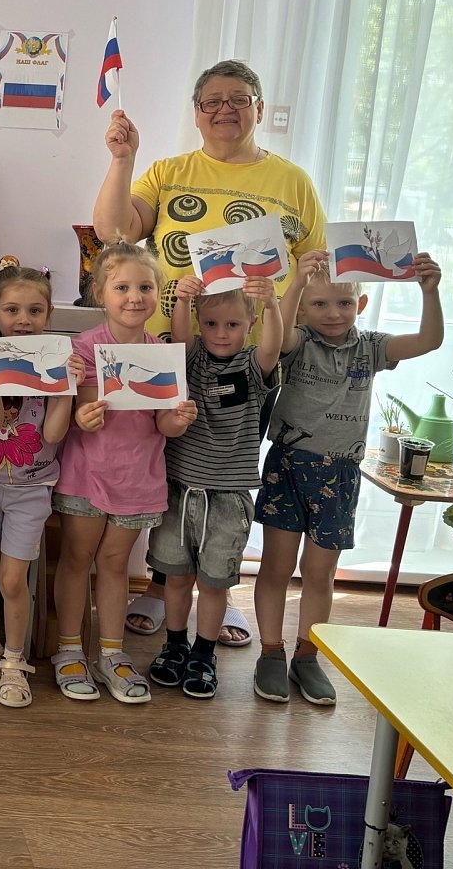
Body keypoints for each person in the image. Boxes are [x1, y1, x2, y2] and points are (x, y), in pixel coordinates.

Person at [93, 58, 327, 645]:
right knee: (171, 471)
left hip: (255, 357)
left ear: (259, 108)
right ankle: (160, 584)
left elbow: (317, 270)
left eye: (239, 99)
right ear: (196, 113)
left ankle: (219, 593)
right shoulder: (168, 172)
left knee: (227, 475)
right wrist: (122, 160)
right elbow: (114, 231)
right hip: (173, 353)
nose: (226, 109)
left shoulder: (294, 182)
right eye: (212, 101)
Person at [254, 249, 443, 706]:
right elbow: (279, 337)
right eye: (319, 304)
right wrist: (296, 284)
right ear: (302, 309)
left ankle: (307, 656)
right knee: (277, 567)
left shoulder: (371, 347)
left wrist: (430, 292)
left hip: (339, 474)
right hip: (288, 466)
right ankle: (271, 651)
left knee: (320, 573)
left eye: (343, 303)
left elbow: (428, 341)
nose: (333, 313)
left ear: (360, 304)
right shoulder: (297, 340)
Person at [51, 243, 198, 705]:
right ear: (101, 292)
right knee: (77, 559)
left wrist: (180, 418)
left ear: (157, 293)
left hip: (138, 479)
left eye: (145, 287)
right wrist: (83, 416)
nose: (135, 297)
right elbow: (75, 413)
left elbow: (165, 425)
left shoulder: (164, 354)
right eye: (122, 287)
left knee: (115, 564)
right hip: (87, 476)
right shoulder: (82, 348)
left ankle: (111, 653)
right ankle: (69, 650)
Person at [146, 275, 286, 701]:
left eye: (232, 325)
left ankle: (203, 654)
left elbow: (273, 346)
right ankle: (174, 646)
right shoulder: (191, 360)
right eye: (211, 324)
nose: (221, 333)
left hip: (228, 498)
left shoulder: (252, 365)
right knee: (175, 578)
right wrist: (183, 301)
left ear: (250, 324)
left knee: (213, 584)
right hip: (178, 490)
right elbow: (181, 336)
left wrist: (272, 305)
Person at [0, 265, 82, 709]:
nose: (23, 319)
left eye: (35, 311)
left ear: (49, 315)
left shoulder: (56, 360)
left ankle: (15, 660)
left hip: (32, 490)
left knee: (13, 578)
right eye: (12, 310)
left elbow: (52, 434)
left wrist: (66, 386)